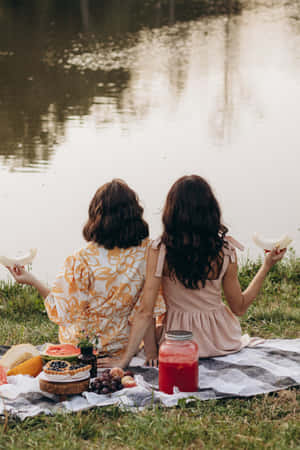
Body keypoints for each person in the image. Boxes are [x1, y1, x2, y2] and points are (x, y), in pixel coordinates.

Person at [99, 175, 286, 368]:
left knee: (148, 325)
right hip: (222, 340)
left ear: (171, 212)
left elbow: (146, 311)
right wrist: (266, 266)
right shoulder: (226, 250)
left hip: (178, 341)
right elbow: (239, 307)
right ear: (211, 211)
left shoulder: (160, 250)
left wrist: (125, 360)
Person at [7, 179, 165, 359]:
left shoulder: (81, 260)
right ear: (135, 214)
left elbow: (62, 313)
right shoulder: (148, 253)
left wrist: (32, 280)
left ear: (96, 215)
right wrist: (151, 352)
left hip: (83, 348)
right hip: (124, 347)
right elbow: (148, 309)